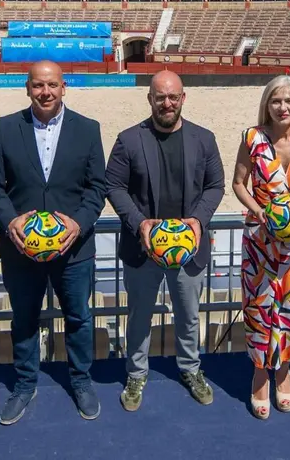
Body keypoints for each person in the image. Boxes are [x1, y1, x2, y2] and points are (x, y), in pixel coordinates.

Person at [0, 60, 107, 425]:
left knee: (79, 318)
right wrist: (11, 220)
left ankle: (81, 380)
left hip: (73, 249)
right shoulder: (6, 127)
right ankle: (24, 384)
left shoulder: (87, 128)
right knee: (24, 319)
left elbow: (97, 187)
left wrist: (78, 224)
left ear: (64, 87)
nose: (45, 92)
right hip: (21, 248)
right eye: (38, 86)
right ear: (27, 88)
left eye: (52, 85)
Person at [105, 70, 225, 412]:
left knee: (187, 315)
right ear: (150, 100)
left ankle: (190, 369)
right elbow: (113, 186)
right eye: (160, 97)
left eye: (173, 97)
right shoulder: (129, 140)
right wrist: (140, 223)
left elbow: (216, 186)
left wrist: (199, 222)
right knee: (139, 315)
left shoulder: (204, 138)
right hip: (143, 248)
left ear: (183, 98)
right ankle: (136, 374)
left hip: (188, 248)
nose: (167, 103)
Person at [231, 74, 290, 420]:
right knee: (259, 306)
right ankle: (260, 373)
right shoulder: (253, 138)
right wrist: (259, 212)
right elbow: (238, 183)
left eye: (289, 100)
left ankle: (284, 371)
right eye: (276, 101)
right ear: (266, 105)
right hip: (260, 239)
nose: (282, 107)